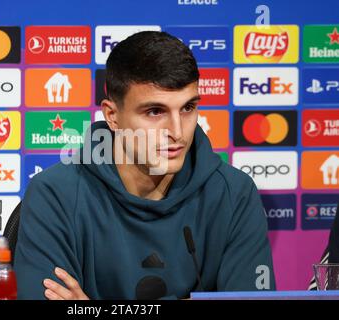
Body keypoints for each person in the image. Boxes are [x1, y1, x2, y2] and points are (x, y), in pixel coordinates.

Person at [14, 31, 276, 300]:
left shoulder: (234, 193)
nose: (178, 131)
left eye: (187, 108)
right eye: (155, 112)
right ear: (112, 116)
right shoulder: (55, 194)